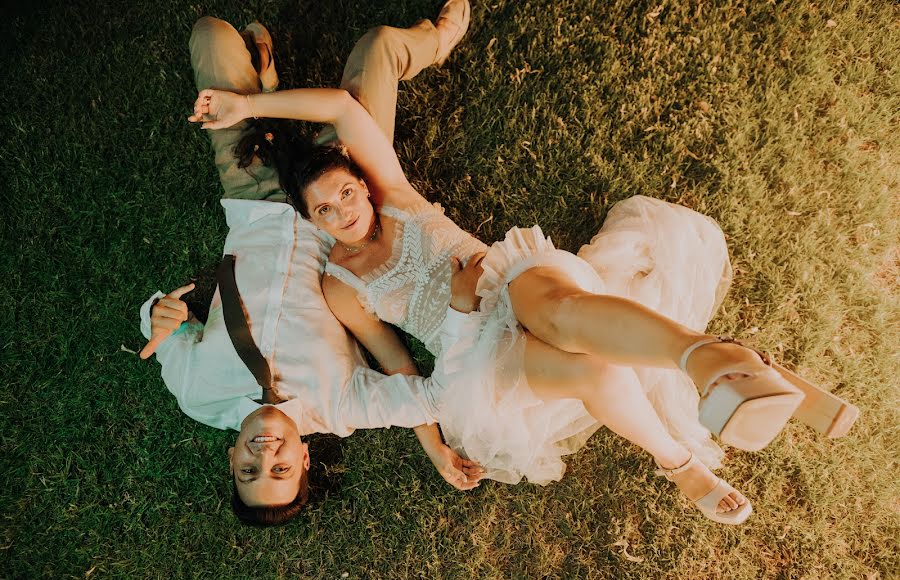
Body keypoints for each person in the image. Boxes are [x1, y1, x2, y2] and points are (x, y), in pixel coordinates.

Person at [188, 9, 856, 526]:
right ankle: (679, 464)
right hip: (471, 348)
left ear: (362, 180)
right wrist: (434, 444)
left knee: (559, 310)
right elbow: (395, 360)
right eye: (326, 211)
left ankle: (709, 358)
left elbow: (340, 110)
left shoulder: (392, 193)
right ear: (310, 222)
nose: (343, 211)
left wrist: (247, 107)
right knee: (592, 367)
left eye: (346, 194)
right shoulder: (338, 282)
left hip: (508, 281)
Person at [140, 2, 481, 526]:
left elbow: (161, 330)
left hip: (250, 192)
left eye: (248, 471)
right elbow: (430, 394)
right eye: (281, 470)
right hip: (333, 196)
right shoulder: (341, 407)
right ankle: (435, 41)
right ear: (304, 459)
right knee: (379, 47)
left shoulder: (196, 395)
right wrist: (437, 450)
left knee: (210, 34)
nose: (264, 456)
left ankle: (266, 97)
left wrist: (160, 313)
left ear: (231, 462)